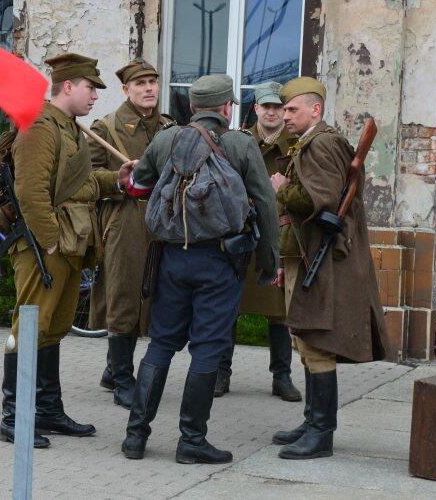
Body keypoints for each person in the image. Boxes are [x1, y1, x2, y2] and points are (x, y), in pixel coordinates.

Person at [115, 74, 279, 464]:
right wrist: (269, 261)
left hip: (172, 259)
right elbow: (265, 205)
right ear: (226, 108)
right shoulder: (240, 144)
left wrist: (131, 176)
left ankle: (135, 437)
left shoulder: (166, 139)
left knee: (161, 343)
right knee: (207, 349)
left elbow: (138, 184)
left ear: (192, 107)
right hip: (221, 262)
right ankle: (191, 441)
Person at [0, 53, 120, 449]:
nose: (95, 96)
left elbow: (80, 183)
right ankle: (14, 417)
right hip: (46, 245)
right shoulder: (39, 126)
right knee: (30, 326)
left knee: (53, 327)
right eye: (90, 88)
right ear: (68, 86)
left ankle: (48, 411)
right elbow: (30, 192)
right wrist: (50, 240)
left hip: (70, 242)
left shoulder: (68, 126)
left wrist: (117, 179)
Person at [270, 77, 391, 460]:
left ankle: (321, 433)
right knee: (305, 341)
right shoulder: (313, 142)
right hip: (307, 254)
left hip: (323, 260)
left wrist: (280, 188)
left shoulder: (322, 143)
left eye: (292, 109)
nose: (285, 116)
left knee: (316, 342)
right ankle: (312, 422)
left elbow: (317, 199)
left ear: (315, 109)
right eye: (284, 109)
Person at [88, 58, 174, 409]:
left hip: (162, 220)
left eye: (153, 81)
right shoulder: (106, 128)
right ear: (126, 90)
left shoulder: (168, 127)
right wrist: (119, 179)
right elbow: (85, 178)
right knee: (124, 294)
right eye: (140, 83)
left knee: (153, 295)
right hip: (125, 219)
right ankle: (122, 377)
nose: (149, 88)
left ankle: (113, 369)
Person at [214, 82, 301, 402]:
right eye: (267, 106)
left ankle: (282, 377)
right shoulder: (237, 141)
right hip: (242, 234)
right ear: (256, 108)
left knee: (279, 312)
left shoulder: (296, 145)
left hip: (279, 235)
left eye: (278, 107)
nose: (272, 112)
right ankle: (221, 373)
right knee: (229, 308)